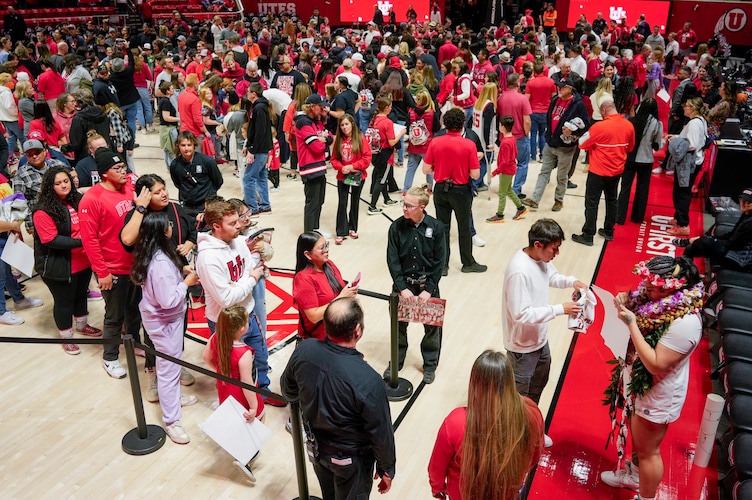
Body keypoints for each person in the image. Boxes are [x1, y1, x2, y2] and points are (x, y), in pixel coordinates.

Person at [601, 256, 703, 500]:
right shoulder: (659, 303)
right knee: (640, 443)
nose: (644, 290)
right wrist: (628, 301)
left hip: (658, 396)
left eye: (651, 286)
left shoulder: (685, 323)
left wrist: (632, 324)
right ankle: (635, 478)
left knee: (648, 451)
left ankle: (646, 497)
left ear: (671, 288)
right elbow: (639, 303)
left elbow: (655, 364)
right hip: (643, 387)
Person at [281, 297, 396, 500]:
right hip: (351, 462)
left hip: (316, 449)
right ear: (358, 330)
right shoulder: (368, 380)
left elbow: (287, 389)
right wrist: (387, 468)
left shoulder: (304, 351)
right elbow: (380, 432)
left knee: (329, 495)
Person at [503, 218, 587, 447]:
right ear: (538, 244)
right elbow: (521, 314)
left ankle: (530, 429)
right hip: (522, 346)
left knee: (538, 387)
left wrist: (573, 282)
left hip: (540, 340)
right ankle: (513, 440)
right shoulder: (518, 271)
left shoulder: (540, 259)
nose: (557, 253)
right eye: (554, 248)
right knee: (518, 397)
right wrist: (561, 309)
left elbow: (551, 276)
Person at [196, 201, 283, 406]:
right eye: (233, 223)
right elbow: (226, 298)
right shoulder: (208, 258)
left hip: (249, 313)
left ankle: (262, 392)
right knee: (231, 369)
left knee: (261, 356)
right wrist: (251, 279)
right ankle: (238, 404)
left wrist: (243, 280)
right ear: (216, 226)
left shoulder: (237, 240)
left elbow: (250, 266)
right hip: (224, 322)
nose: (239, 226)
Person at [428, 350, 545, 499]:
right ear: (510, 380)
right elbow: (534, 454)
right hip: (508, 493)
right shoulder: (531, 412)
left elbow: (436, 467)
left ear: (475, 384)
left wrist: (437, 488)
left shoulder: (455, 422)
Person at [120, 173, 198, 394]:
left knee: (178, 326)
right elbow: (127, 240)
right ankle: (154, 373)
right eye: (156, 191)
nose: (164, 193)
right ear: (144, 196)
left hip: (177, 276)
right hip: (150, 284)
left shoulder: (174, 208)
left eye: (164, 188)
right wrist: (141, 208)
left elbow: (192, 228)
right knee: (154, 334)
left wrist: (190, 243)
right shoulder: (138, 215)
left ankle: (175, 365)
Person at [130, 211, 199, 444]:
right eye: (168, 224)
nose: (172, 225)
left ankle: (173, 399)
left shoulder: (159, 253)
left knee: (174, 362)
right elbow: (168, 299)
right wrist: (186, 284)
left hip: (169, 318)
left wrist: (181, 273)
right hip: (163, 320)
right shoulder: (158, 262)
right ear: (162, 231)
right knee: (169, 369)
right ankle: (172, 421)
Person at [79, 148, 145, 379]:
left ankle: (135, 342)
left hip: (135, 265)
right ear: (104, 173)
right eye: (117, 168)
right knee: (114, 315)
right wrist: (102, 272)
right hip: (112, 269)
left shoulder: (129, 190)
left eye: (123, 166)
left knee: (135, 310)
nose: (123, 170)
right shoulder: (92, 199)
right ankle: (110, 357)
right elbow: (89, 240)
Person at [32, 166, 100, 354]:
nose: (64, 185)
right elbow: (50, 239)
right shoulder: (42, 209)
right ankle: (67, 337)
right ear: (49, 186)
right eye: (58, 183)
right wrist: (83, 241)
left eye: (66, 181)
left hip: (83, 261)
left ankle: (82, 325)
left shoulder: (76, 200)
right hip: (58, 266)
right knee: (63, 302)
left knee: (80, 295)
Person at [385, 185, 446, 384]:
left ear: (422, 207)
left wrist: (429, 290)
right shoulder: (396, 227)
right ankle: (397, 360)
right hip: (403, 287)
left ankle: (430, 364)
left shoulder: (436, 228)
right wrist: (402, 287)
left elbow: (440, 262)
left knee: (432, 329)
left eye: (409, 206)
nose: (404, 209)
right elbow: (392, 259)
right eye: (404, 204)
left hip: (427, 287)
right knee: (398, 327)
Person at [202, 304, 266, 482]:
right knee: (258, 416)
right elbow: (247, 383)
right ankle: (245, 457)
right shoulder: (243, 353)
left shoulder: (216, 337)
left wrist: (221, 372)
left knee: (236, 419)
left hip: (224, 387)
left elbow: (206, 357)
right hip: (240, 391)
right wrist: (254, 406)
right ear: (243, 328)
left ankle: (241, 449)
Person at [422, 107, 486, 275]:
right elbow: (476, 174)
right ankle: (467, 263)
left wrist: (441, 166)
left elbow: (426, 169)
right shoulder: (469, 144)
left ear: (445, 124)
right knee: (464, 228)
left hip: (440, 190)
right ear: (462, 124)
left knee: (442, 228)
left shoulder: (436, 141)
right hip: (461, 191)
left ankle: (443, 265)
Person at [572, 100, 635, 246]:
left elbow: (582, 143)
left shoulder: (599, 127)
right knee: (612, 200)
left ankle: (588, 234)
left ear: (604, 110)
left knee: (592, 202)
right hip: (617, 171)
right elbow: (630, 148)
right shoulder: (628, 125)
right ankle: (608, 231)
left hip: (598, 171)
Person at [522, 78, 589, 212]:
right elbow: (550, 118)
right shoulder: (555, 100)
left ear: (570, 89)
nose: (558, 89)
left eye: (562, 87)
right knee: (544, 172)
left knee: (561, 176)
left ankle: (559, 200)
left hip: (566, 147)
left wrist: (574, 131)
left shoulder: (578, 104)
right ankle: (535, 199)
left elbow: (586, 125)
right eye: (558, 86)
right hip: (550, 143)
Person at [292, 231, 358, 341]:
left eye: (326, 245)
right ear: (308, 254)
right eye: (322, 248)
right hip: (319, 341)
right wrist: (341, 298)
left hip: (339, 333)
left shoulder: (329, 265)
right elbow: (313, 316)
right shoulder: (303, 279)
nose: (326, 250)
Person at [673, 187, 752, 271]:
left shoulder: (750, 223)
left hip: (741, 260)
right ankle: (686, 275)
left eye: (749, 202)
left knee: (704, 241)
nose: (744, 203)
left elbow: (733, 244)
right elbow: (731, 235)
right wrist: (713, 239)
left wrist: (710, 241)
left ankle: (689, 241)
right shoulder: (746, 214)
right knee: (691, 248)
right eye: (742, 200)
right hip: (733, 250)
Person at [617, 98, 664, 225]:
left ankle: (619, 217)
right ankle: (637, 217)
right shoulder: (657, 123)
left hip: (630, 158)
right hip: (646, 160)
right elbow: (658, 145)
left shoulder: (632, 120)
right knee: (642, 189)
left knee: (625, 188)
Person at [666, 97, 708, 237]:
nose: (684, 108)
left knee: (681, 193)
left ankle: (683, 224)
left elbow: (692, 145)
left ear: (693, 108)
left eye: (687, 106)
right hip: (693, 162)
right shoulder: (700, 120)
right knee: (680, 191)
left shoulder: (695, 123)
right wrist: (676, 137)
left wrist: (676, 145)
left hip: (688, 164)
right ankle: (678, 218)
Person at [294, 94, 333, 234]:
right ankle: (309, 233)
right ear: (311, 107)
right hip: (310, 168)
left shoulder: (316, 121)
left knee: (319, 200)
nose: (323, 108)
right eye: (320, 106)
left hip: (320, 166)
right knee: (312, 203)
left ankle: (315, 228)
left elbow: (330, 137)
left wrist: (324, 139)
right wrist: (321, 139)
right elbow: (317, 148)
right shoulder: (303, 122)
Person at [13, 139, 69, 235]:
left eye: (37, 152)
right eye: (30, 154)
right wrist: (30, 224)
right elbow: (20, 202)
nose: (34, 156)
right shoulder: (21, 174)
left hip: (65, 213)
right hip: (41, 218)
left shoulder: (59, 165)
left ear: (45, 151)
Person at [331, 114, 371, 245]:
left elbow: (367, 158)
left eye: (346, 124)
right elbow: (334, 159)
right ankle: (341, 231)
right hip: (343, 176)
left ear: (352, 124)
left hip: (357, 176)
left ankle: (353, 227)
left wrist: (353, 166)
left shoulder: (360, 138)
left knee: (355, 202)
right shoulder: (339, 140)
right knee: (342, 203)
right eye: (342, 125)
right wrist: (341, 167)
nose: (344, 127)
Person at [169, 131, 224, 219]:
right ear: (178, 146)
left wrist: (208, 195)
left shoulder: (207, 161)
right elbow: (178, 183)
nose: (186, 148)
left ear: (194, 145)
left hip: (206, 205)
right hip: (187, 206)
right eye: (183, 145)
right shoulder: (175, 165)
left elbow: (218, 181)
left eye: (189, 145)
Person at [487, 116, 529, 224]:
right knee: (509, 190)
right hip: (511, 168)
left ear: (503, 127)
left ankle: (500, 215)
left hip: (506, 170)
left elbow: (504, 162)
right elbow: (514, 153)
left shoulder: (505, 142)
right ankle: (521, 208)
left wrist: (495, 172)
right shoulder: (512, 138)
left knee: (502, 193)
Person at [367, 95, 404, 215]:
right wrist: (401, 133)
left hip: (375, 153)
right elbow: (392, 142)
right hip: (385, 155)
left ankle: (387, 199)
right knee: (381, 180)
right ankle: (372, 206)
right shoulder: (387, 122)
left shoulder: (374, 120)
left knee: (381, 176)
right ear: (387, 108)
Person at [242, 82, 273, 216]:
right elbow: (254, 130)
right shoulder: (260, 106)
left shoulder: (259, 108)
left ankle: (253, 208)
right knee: (261, 177)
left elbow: (259, 131)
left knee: (248, 178)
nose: (246, 94)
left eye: (248, 92)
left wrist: (252, 150)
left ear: (254, 94)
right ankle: (265, 205)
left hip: (259, 150)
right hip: (261, 148)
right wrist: (248, 145)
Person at [526, 63, 556, 164]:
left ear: (534, 71)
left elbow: (527, 98)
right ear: (543, 70)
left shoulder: (530, 83)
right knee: (543, 134)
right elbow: (553, 96)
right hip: (546, 111)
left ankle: (533, 156)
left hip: (533, 111)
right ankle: (542, 156)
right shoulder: (550, 82)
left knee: (533, 134)